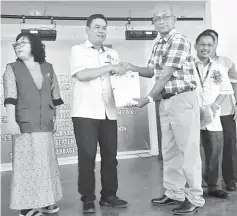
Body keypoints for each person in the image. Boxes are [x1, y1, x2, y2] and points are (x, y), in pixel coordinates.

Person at [121, 5, 204, 215]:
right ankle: (174, 192)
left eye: (164, 17)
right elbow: (151, 71)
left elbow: (166, 74)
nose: (160, 21)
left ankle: (194, 197)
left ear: (174, 20)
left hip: (183, 99)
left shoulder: (179, 40)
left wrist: (148, 98)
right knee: (169, 150)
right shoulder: (158, 43)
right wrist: (132, 67)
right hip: (166, 101)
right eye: (156, 18)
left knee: (188, 151)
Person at [70, 14, 128, 214]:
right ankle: (87, 198)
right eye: (97, 27)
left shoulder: (113, 53)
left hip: (108, 111)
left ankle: (109, 195)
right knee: (87, 157)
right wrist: (110, 67)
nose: (101, 31)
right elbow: (82, 75)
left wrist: (125, 80)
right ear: (87, 29)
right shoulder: (77, 50)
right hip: (85, 112)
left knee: (110, 156)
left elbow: (118, 80)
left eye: (104, 27)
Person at [3, 32, 63, 216]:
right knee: (26, 166)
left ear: (35, 45)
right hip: (24, 124)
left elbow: (56, 96)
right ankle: (27, 207)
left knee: (46, 164)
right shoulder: (11, 68)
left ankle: (46, 201)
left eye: (23, 42)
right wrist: (11, 121)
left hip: (45, 123)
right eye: (17, 44)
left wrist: (58, 118)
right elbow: (10, 97)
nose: (18, 46)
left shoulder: (48, 68)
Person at [194, 31, 233, 199]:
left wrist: (215, 106)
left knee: (215, 151)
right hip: (192, 115)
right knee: (196, 153)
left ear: (214, 47)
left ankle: (214, 186)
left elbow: (226, 90)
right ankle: (198, 186)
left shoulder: (219, 68)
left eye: (209, 45)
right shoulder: (186, 65)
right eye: (202, 44)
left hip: (212, 116)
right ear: (195, 46)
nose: (205, 48)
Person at [201, 29, 237, 191]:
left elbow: (235, 84)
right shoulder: (196, 63)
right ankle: (209, 181)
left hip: (225, 111)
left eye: (211, 42)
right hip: (206, 114)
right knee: (208, 148)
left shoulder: (225, 62)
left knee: (229, 146)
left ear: (216, 43)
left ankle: (230, 180)